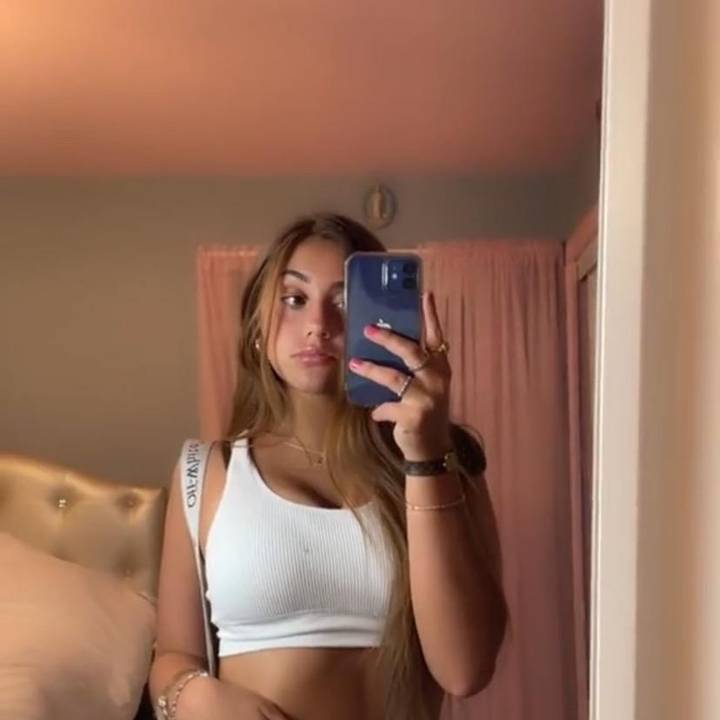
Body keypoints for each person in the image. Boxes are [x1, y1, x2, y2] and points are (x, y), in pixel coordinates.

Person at [148, 213, 507, 720]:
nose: (319, 324)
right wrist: (196, 695)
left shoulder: (447, 459)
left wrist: (425, 457)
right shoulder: (205, 471)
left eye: (344, 303)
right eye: (294, 299)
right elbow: (172, 657)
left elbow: (464, 671)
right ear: (257, 328)